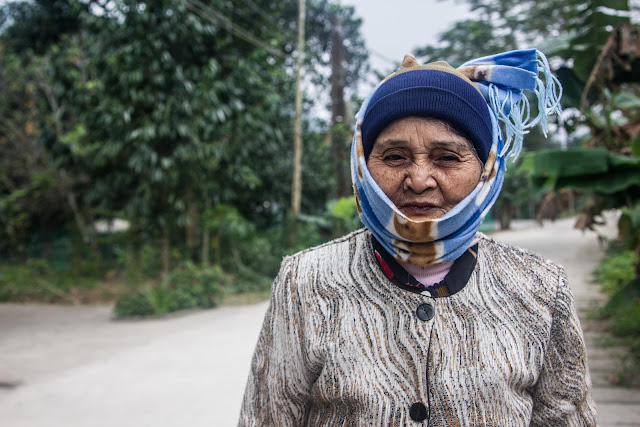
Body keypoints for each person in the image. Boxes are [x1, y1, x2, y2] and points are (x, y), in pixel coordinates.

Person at [238, 49, 597, 425]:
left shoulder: (541, 289)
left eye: (447, 157)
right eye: (394, 157)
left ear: (485, 167)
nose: (419, 179)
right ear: (362, 165)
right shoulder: (305, 282)